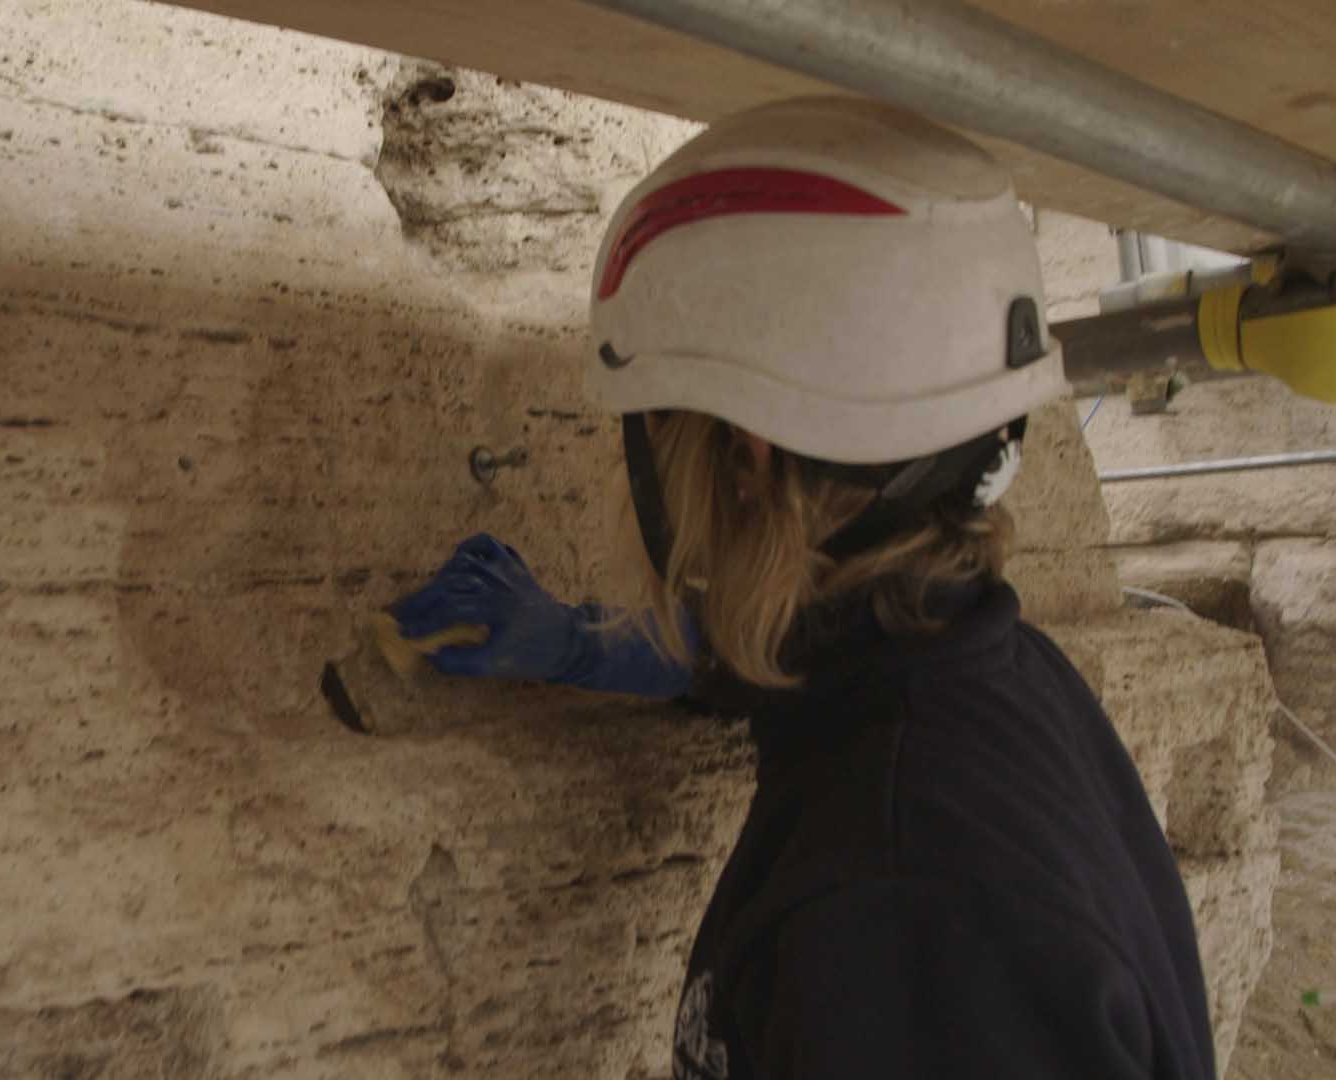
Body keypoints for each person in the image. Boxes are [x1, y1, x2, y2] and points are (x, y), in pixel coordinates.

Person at [387, 99, 1217, 1080]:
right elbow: (804, 655)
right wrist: (587, 643)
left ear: (746, 459)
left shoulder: (901, 912)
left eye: (656, 433)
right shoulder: (981, 677)